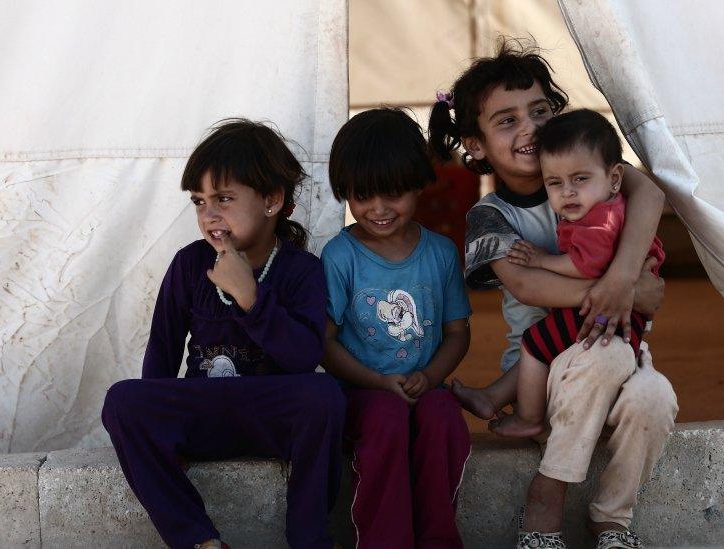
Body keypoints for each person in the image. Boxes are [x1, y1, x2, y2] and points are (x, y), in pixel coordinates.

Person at [428, 39, 678, 549]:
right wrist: (624, 294)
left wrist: (622, 279)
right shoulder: (491, 217)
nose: (530, 128)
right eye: (506, 121)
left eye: (540, 111)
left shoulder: (586, 171)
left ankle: (611, 519)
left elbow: (650, 193)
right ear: (475, 146)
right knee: (604, 356)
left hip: (621, 345)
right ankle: (546, 499)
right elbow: (526, 283)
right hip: (541, 370)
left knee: (657, 396)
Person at [101, 119, 345, 549]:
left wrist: (251, 296)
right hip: (205, 412)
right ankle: (198, 540)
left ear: (272, 200)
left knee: (324, 396)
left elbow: (304, 357)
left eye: (224, 199)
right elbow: (162, 352)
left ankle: (308, 539)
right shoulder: (191, 264)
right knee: (123, 400)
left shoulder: (300, 270)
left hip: (271, 415)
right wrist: (159, 424)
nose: (209, 215)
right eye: (199, 201)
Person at [320, 108, 472, 549]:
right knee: (386, 418)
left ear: (419, 182)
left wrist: (431, 377)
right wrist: (378, 382)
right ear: (345, 191)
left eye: (394, 194)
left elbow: (457, 333)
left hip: (425, 389)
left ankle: (438, 539)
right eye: (363, 196)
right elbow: (324, 342)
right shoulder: (340, 256)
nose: (379, 209)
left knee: (444, 415)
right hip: (362, 395)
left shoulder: (441, 253)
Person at [487, 108, 666, 439]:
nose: (567, 191)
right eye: (555, 183)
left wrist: (542, 260)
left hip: (601, 316)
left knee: (536, 341)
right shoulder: (491, 215)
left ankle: (527, 418)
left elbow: (587, 263)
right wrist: (632, 289)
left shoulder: (600, 217)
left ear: (615, 178)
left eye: (579, 179)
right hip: (614, 311)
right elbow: (527, 287)